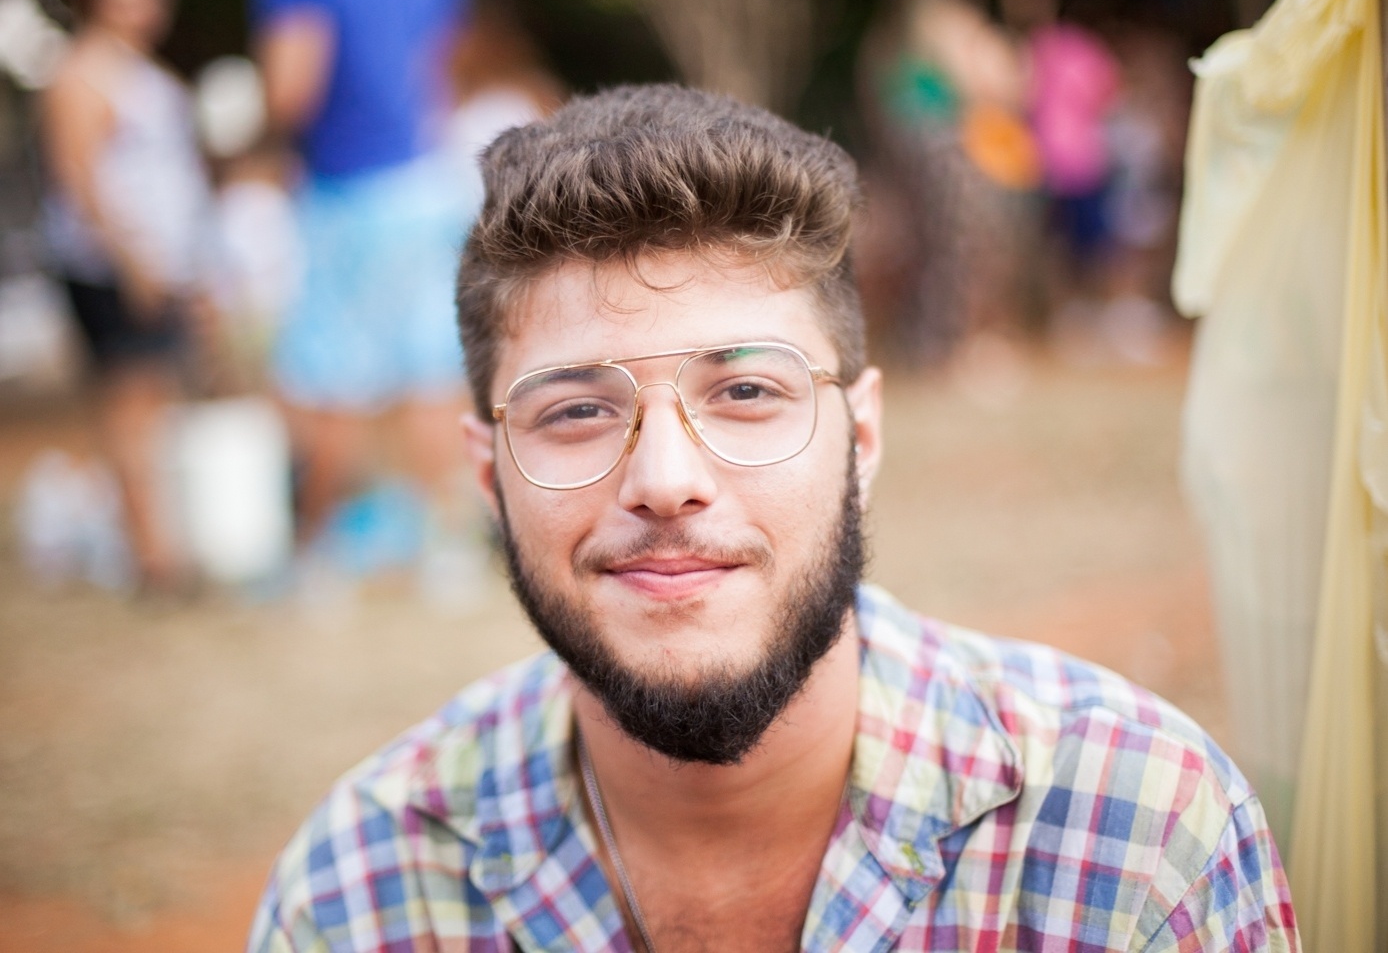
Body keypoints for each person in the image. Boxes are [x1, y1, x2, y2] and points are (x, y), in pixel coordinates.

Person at [247, 86, 1297, 952]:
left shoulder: (1142, 835)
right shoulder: (358, 897)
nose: (665, 479)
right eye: (575, 410)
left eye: (747, 392)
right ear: (488, 477)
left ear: (863, 437)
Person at [249, 0, 475, 563]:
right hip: (428, 185)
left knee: (330, 378)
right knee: (430, 374)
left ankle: (316, 555)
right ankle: (446, 551)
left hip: (347, 193)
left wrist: (254, 142)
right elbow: (436, 81)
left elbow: (291, 88)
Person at [41, 0, 210, 590]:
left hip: (161, 266)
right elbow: (80, 180)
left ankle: (154, 540)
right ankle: (151, 557)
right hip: (113, 268)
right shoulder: (83, 72)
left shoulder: (141, 70)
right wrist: (132, 262)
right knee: (132, 408)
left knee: (158, 406)